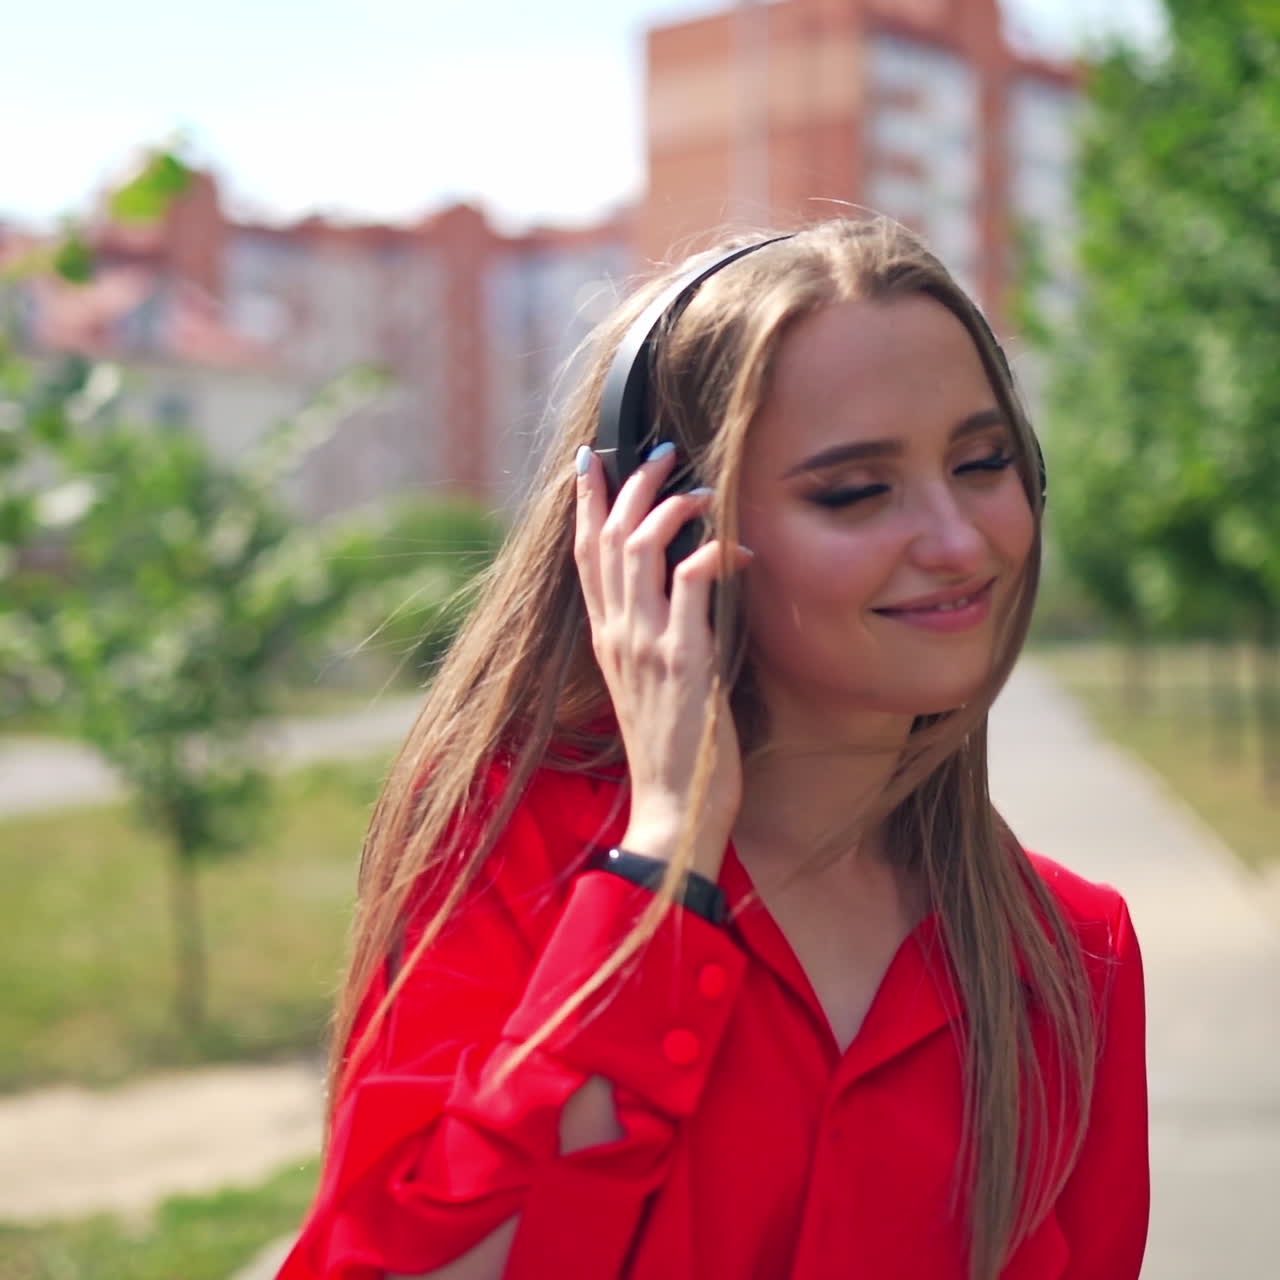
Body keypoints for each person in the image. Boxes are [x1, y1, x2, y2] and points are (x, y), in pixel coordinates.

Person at [278, 217, 1148, 1280]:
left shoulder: (1068, 953)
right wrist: (659, 872)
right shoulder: (510, 837)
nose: (960, 540)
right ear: (666, 535)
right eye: (853, 489)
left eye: (982, 461)